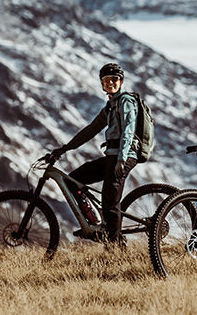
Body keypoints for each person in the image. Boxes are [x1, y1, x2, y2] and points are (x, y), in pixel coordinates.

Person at [48, 63, 139, 245]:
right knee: (72, 181)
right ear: (102, 84)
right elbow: (90, 130)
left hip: (124, 156)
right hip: (112, 156)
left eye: (114, 80)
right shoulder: (110, 107)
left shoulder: (126, 101)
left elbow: (129, 131)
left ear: (121, 82)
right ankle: (93, 224)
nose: (110, 83)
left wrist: (121, 159)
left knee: (109, 203)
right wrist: (64, 149)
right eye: (106, 81)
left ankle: (116, 248)